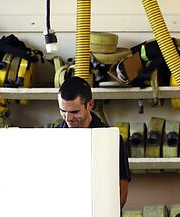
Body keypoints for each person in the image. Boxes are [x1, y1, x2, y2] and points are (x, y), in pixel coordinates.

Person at [56, 76, 131, 208]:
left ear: (90, 105)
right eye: (63, 111)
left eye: (74, 112)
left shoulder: (110, 140)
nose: (68, 118)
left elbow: (122, 188)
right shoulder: (54, 137)